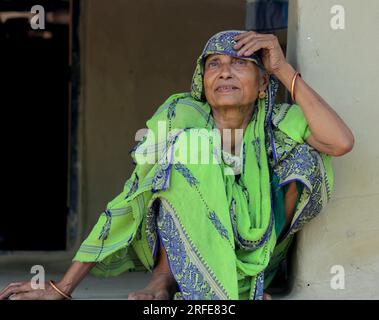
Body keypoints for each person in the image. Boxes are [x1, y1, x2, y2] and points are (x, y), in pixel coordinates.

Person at [0, 30, 354, 300]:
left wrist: (281, 68)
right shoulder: (181, 114)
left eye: (240, 63)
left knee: (309, 159)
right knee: (186, 152)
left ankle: (243, 282)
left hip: (257, 252)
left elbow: (340, 142)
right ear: (203, 81)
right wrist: (64, 287)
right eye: (214, 64)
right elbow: (133, 196)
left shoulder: (278, 119)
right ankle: (166, 279)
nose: (225, 72)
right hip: (177, 244)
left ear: (263, 83)